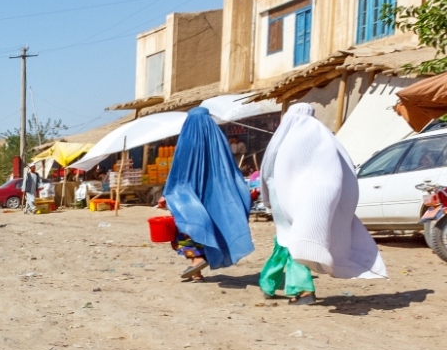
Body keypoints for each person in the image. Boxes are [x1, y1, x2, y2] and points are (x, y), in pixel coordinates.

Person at [259, 103, 386, 304]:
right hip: (307, 203)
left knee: (292, 242)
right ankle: (269, 283)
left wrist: (266, 199)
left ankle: (302, 290)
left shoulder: (281, 141)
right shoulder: (323, 139)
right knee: (288, 243)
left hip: (283, 202)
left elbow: (267, 171)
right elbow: (341, 170)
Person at [160, 107, 255, 281]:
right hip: (215, 194)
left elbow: (178, 172)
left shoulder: (187, 140)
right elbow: (230, 169)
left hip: (188, 193)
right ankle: (197, 268)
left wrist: (167, 193)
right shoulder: (218, 139)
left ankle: (196, 261)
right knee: (212, 223)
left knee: (186, 225)